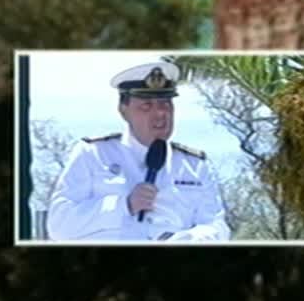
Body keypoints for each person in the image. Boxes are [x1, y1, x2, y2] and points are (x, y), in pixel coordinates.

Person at [47, 62, 231, 242]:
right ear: (123, 110)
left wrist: (184, 240)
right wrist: (123, 205)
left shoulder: (194, 166)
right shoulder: (92, 155)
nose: (159, 113)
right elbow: (58, 226)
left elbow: (216, 227)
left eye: (165, 104)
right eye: (146, 106)